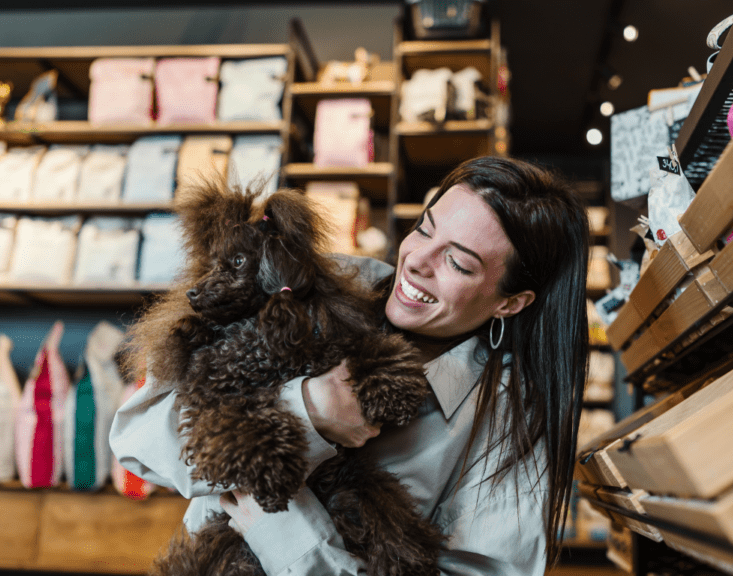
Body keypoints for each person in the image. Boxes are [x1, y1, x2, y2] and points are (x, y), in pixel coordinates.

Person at [110, 155, 589, 575]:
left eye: (458, 263)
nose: (418, 260)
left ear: (511, 302)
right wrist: (306, 412)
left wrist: (290, 536)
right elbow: (138, 437)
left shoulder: (508, 419)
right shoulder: (318, 283)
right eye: (424, 228)